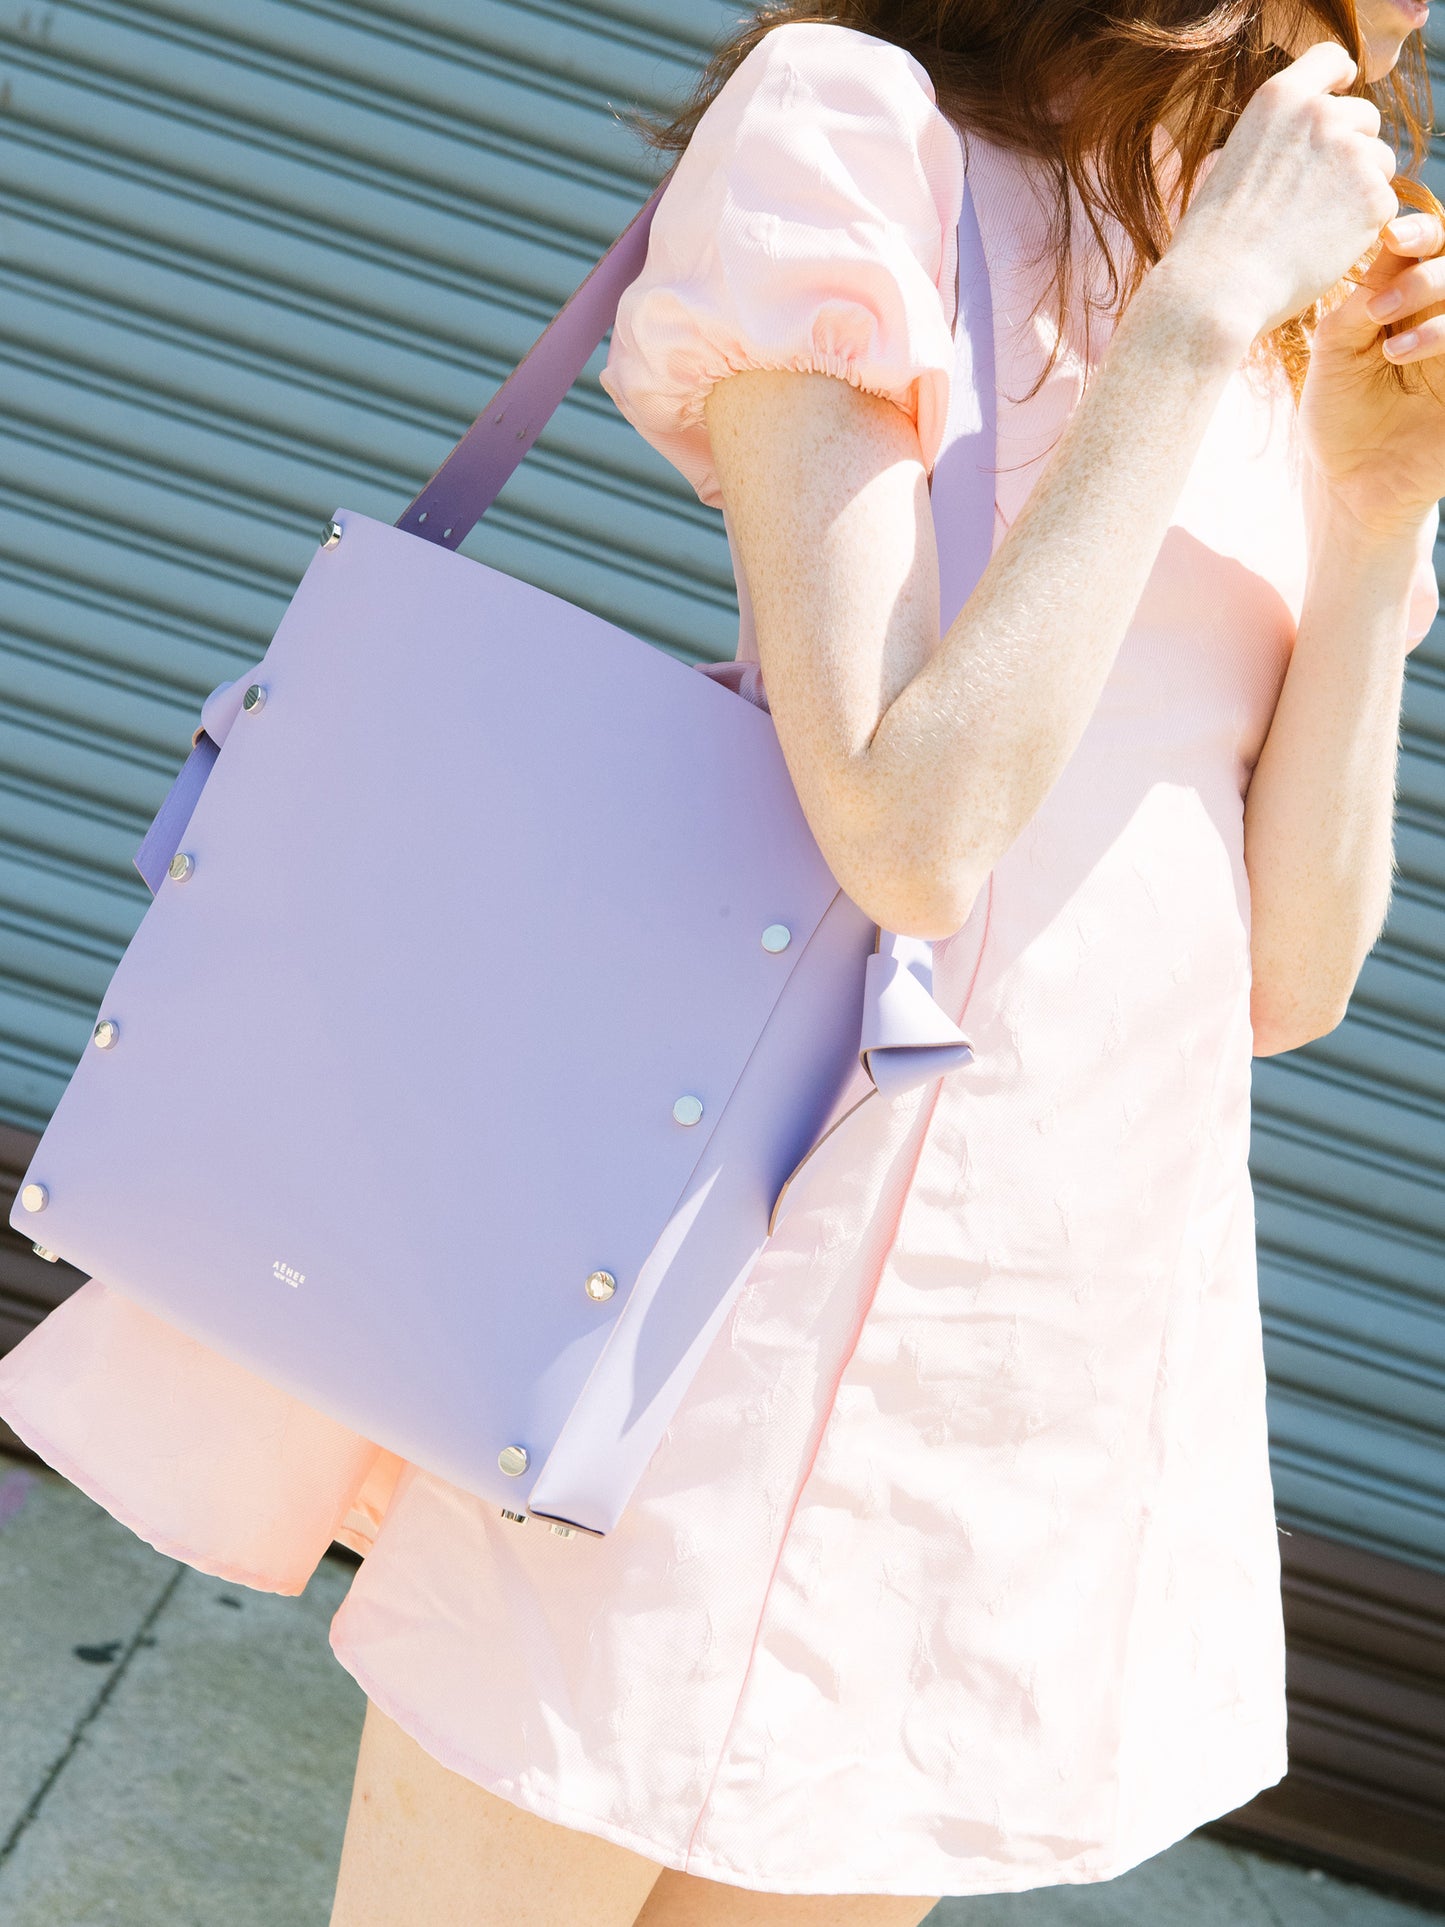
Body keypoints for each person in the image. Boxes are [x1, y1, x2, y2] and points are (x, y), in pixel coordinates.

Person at [3, 1, 1443, 1922]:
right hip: (712, 1291)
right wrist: (1188, 323)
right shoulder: (867, 137)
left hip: (1021, 1373)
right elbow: (907, 825)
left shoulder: (1286, 275)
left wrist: (1371, 520)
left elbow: (1288, 979)